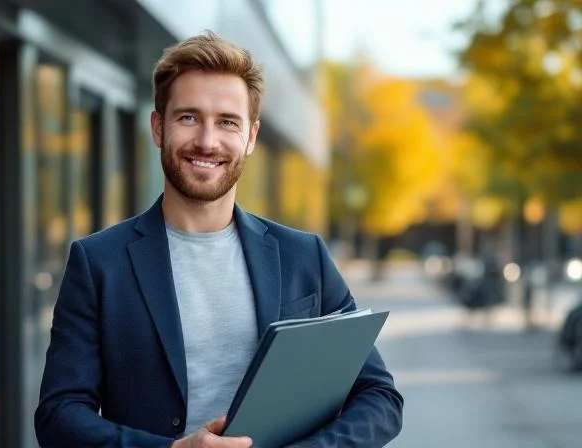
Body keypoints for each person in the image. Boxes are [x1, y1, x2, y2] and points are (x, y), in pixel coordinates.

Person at [34, 31, 403, 448]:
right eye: (188, 117)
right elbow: (58, 415)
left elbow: (380, 398)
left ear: (251, 137)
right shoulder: (99, 262)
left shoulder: (304, 256)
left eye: (227, 122)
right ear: (158, 127)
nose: (207, 142)